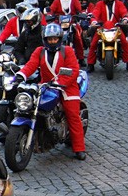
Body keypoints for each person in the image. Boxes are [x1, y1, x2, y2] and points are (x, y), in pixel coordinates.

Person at [14, 23, 86, 160]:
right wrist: (21, 75)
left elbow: (73, 70)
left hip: (67, 88)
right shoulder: (40, 51)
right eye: (49, 39)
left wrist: (60, 83)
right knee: (29, 106)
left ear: (60, 39)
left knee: (72, 114)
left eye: (55, 39)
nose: (52, 41)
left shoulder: (68, 51)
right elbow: (31, 65)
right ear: (45, 39)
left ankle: (79, 148)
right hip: (46, 86)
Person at [86, 0, 128, 72]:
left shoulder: (119, 4)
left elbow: (124, 13)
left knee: (125, 43)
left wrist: (125, 19)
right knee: (93, 44)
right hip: (101, 28)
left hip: (116, 27)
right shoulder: (99, 4)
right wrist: (93, 21)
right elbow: (95, 13)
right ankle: (90, 64)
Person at [48, 0, 86, 66]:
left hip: (72, 22)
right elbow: (51, 10)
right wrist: (50, 15)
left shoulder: (74, 0)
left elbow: (79, 10)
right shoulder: (57, 1)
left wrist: (80, 14)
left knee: (78, 37)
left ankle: (81, 58)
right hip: (58, 23)